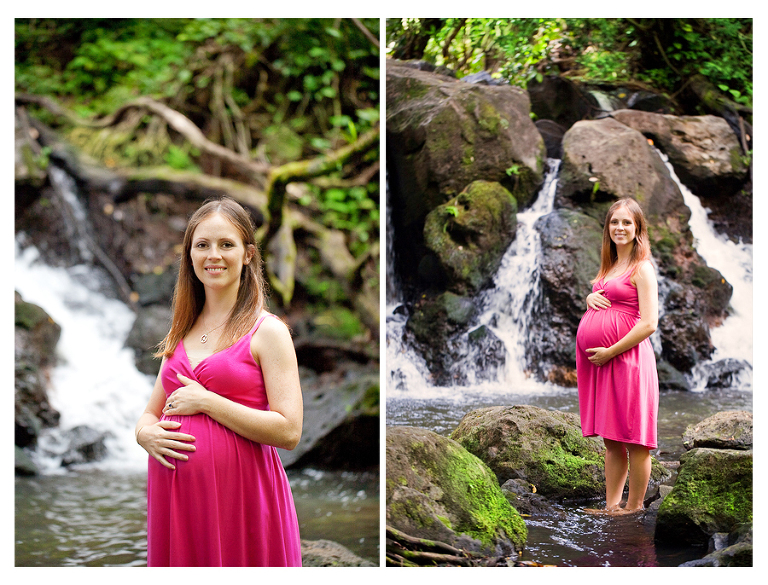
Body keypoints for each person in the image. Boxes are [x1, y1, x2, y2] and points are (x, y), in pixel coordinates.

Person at [134, 196, 303, 566]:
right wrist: (143, 434)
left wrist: (208, 402)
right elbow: (150, 413)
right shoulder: (180, 333)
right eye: (203, 245)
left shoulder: (268, 332)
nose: (214, 255)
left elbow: (289, 430)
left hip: (240, 501)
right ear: (190, 256)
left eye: (227, 244)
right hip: (178, 503)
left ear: (247, 254)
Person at [575, 197, 659, 516]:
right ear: (607, 227)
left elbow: (649, 323)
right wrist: (590, 295)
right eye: (614, 222)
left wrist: (610, 350)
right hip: (605, 364)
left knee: (635, 438)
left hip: (628, 360)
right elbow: (608, 300)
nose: (619, 228)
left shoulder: (642, 267)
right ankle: (612, 505)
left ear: (637, 228)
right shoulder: (610, 266)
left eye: (626, 222)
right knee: (612, 439)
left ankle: (634, 507)